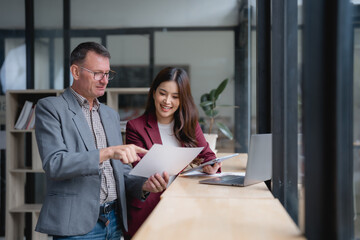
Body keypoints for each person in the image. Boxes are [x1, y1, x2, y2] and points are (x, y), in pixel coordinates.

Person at [34, 42, 169, 239]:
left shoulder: (109, 114)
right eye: (97, 73)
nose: (104, 80)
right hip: (76, 225)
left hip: (114, 220)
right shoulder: (51, 108)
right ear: (76, 71)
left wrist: (144, 185)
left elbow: (120, 171)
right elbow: (55, 164)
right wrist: (107, 152)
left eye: (107, 74)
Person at [124, 67, 221, 238]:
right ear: (153, 93)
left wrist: (211, 166)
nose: (167, 101)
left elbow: (209, 156)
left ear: (182, 99)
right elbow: (139, 173)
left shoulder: (190, 125)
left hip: (183, 206)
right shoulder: (135, 127)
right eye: (163, 93)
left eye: (175, 97)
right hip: (148, 209)